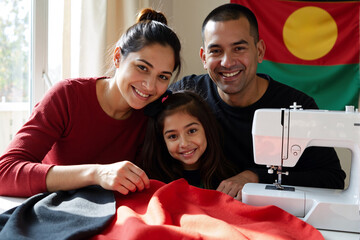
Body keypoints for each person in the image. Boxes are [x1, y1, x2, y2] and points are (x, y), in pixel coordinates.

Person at [170, 3, 345, 200]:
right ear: (204, 57)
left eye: (238, 48)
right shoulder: (186, 95)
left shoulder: (297, 106)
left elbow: (332, 179)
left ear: (259, 51)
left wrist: (255, 176)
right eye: (216, 51)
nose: (227, 62)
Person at [0, 8, 182, 197]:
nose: (150, 86)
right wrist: (97, 173)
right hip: (51, 211)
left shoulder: (154, 112)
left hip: (110, 216)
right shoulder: (68, 96)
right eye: (142, 67)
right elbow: (4, 173)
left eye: (162, 76)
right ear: (118, 57)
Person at [138, 90, 238, 190]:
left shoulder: (230, 174)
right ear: (162, 140)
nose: (184, 143)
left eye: (192, 131)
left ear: (207, 128)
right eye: (173, 136)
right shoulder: (154, 181)